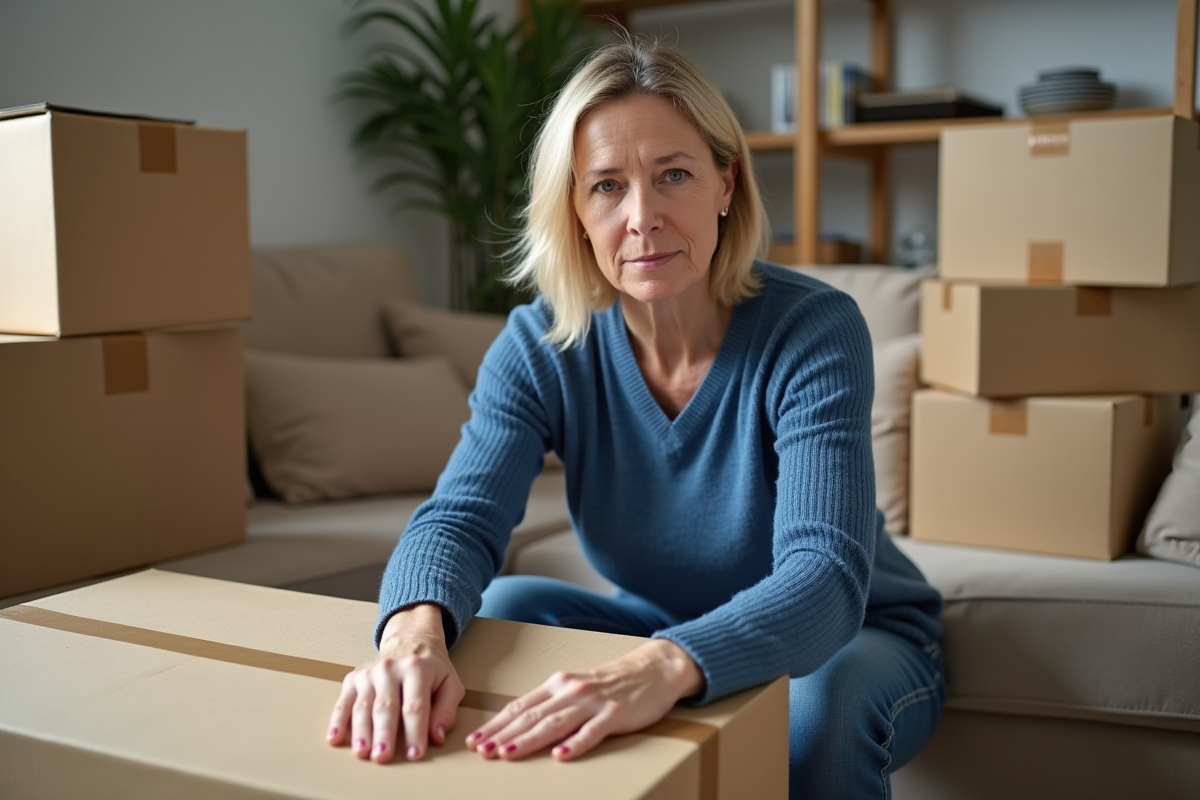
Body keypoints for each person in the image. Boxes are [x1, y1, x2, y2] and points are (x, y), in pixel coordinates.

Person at [327, 34, 945, 799]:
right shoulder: (541, 342)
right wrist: (409, 637)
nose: (641, 217)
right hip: (653, 618)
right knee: (504, 615)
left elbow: (823, 579)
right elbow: (459, 518)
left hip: (855, 635)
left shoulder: (813, 330)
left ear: (726, 182)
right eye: (607, 186)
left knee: (816, 712)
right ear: (575, 211)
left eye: (673, 175)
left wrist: (662, 665)